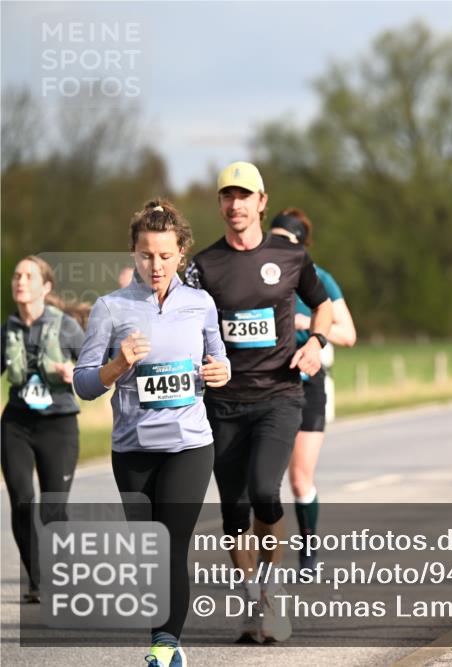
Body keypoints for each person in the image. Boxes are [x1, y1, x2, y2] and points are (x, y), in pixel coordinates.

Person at [74, 199, 231, 667]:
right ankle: (164, 641)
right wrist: (117, 365)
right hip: (134, 449)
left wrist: (221, 372)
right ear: (133, 254)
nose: (156, 265)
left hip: (189, 444)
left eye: (165, 255)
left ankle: (165, 646)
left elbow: (219, 359)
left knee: (171, 544)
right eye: (146, 255)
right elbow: (84, 383)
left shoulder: (200, 304)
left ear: (182, 252)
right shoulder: (110, 308)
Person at [184, 162, 333, 643]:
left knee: (265, 491)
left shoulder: (290, 256)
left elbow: (323, 304)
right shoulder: (203, 266)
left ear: (262, 202)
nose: (236, 205)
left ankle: (271, 593)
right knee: (233, 511)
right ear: (220, 204)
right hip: (223, 403)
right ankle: (253, 598)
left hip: (278, 396)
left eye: (244, 196)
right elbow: (181, 322)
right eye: (228, 196)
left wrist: (317, 343)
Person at [269, 208, 356, 573]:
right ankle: (263, 561)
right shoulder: (258, 274)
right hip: (266, 383)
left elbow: (348, 335)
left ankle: (308, 552)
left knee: (299, 476)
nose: (277, 247)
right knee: (263, 482)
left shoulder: (320, 278)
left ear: (301, 246)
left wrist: (310, 324)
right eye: (272, 239)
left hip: (308, 384)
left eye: (285, 241)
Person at [2, 255, 84, 604]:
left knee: (53, 509)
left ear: (45, 286)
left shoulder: (66, 327)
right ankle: (37, 580)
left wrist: (74, 373)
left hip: (59, 426)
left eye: (28, 276)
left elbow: (96, 367)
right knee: (22, 501)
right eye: (16, 276)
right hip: (17, 424)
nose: (20, 281)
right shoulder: (8, 329)